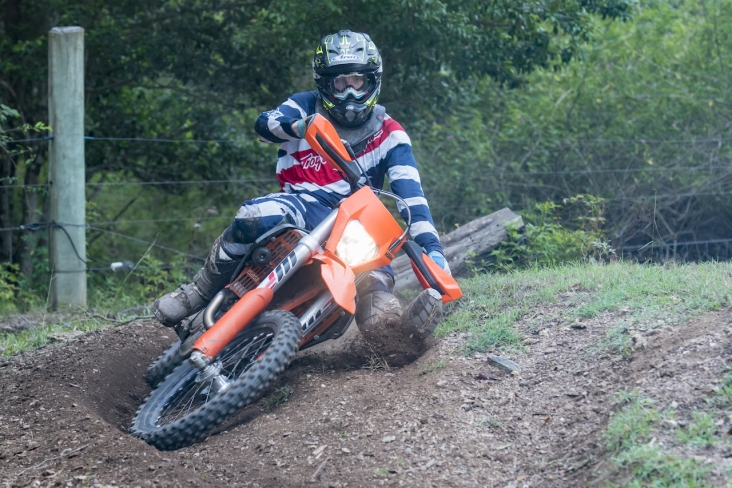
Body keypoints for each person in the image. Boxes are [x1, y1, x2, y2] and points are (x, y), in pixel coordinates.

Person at [152, 30, 451, 341]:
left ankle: (399, 336)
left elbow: (412, 201)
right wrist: (298, 126)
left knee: (375, 281)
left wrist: (434, 253)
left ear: (372, 81)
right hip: (299, 206)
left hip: (355, 227)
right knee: (253, 216)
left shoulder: (391, 134)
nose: (349, 93)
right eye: (340, 83)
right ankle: (198, 291)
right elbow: (264, 124)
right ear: (324, 83)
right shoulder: (305, 105)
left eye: (357, 81)